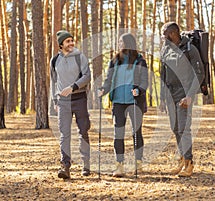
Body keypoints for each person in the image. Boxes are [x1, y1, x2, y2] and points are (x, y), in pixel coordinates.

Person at [98, 33, 148, 177]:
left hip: (135, 102)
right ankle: (119, 166)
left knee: (136, 133)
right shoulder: (115, 61)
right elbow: (109, 80)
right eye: (119, 41)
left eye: (122, 41)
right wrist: (103, 90)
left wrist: (139, 90)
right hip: (118, 102)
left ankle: (138, 163)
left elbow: (145, 81)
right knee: (117, 134)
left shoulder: (140, 61)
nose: (120, 44)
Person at [159, 22, 204, 177]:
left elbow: (199, 74)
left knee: (184, 128)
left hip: (184, 93)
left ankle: (189, 163)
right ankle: (182, 158)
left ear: (172, 34)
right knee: (175, 127)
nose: (162, 37)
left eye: (164, 33)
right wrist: (162, 98)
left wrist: (190, 96)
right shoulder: (165, 49)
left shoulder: (190, 49)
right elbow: (162, 75)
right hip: (170, 94)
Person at [50, 30, 91, 179]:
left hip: (79, 99)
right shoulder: (54, 61)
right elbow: (53, 82)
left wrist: (73, 87)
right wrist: (54, 101)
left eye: (72, 40)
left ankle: (86, 164)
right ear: (61, 45)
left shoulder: (80, 57)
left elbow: (87, 76)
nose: (71, 43)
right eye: (68, 41)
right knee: (64, 134)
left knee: (83, 131)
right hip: (62, 102)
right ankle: (65, 166)